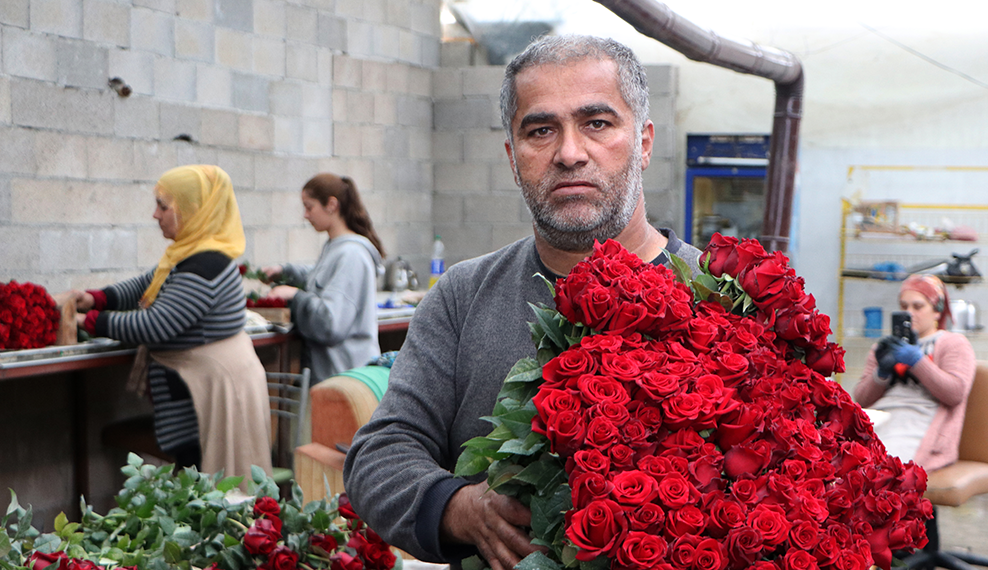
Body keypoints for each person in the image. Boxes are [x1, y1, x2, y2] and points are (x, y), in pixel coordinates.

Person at [344, 35, 702, 570]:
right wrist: (463, 509)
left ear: (645, 142)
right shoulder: (462, 297)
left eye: (597, 123)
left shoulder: (723, 296)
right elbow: (381, 452)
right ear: (512, 158)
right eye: (541, 130)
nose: (570, 152)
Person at [70, 165, 272, 484]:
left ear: (191, 211)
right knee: (196, 479)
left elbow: (156, 325)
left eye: (163, 206)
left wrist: (91, 321)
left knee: (216, 483)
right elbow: (146, 285)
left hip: (215, 391)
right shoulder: (187, 254)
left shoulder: (206, 265)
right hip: (200, 387)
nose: (155, 215)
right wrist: (97, 299)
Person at [260, 174, 385, 382]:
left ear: (331, 205)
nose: (305, 215)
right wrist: (284, 272)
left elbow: (329, 323)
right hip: (334, 378)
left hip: (346, 380)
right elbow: (321, 276)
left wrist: (295, 295)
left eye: (309, 207)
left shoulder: (351, 255)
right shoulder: (335, 248)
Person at [853, 274, 976, 472]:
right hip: (880, 420)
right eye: (904, 307)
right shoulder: (884, 348)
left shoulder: (953, 343)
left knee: (883, 467)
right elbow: (861, 400)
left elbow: (955, 393)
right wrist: (881, 373)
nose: (909, 313)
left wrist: (918, 362)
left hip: (920, 424)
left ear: (937, 311)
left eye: (918, 307)